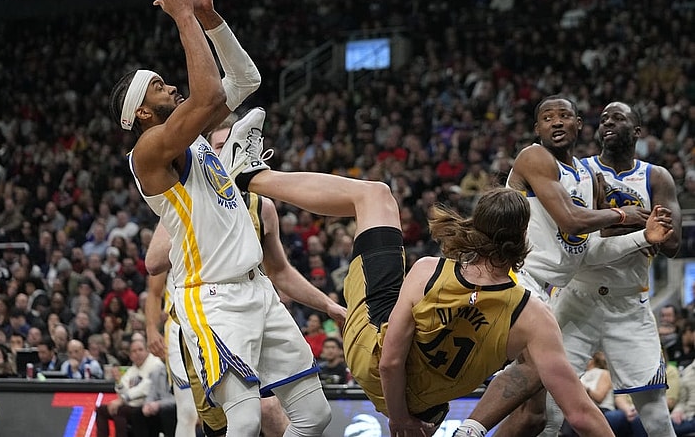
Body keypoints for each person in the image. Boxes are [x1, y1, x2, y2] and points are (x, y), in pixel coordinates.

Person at [220, 106, 673, 437]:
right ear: (525, 242)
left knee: (375, 196)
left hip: (377, 362)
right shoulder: (533, 314)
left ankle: (247, 177)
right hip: (432, 407)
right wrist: (632, 228)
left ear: (477, 229)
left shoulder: (428, 270)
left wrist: (396, 419)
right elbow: (582, 414)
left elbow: (393, 359)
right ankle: (472, 430)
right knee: (538, 382)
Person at [110, 0, 330, 434]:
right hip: (210, 297)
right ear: (142, 112)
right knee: (245, 422)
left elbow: (246, 79)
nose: (170, 86)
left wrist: (209, 16)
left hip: (257, 289)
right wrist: (183, 15)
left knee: (315, 417)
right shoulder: (148, 151)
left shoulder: (190, 137)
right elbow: (209, 92)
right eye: (158, 85)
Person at [451, 95, 676, 437]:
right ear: (536, 128)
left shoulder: (590, 176)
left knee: (536, 415)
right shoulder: (535, 157)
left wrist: (647, 236)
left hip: (591, 295)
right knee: (542, 378)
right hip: (524, 279)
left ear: (577, 124)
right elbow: (571, 221)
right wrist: (622, 214)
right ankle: (468, 429)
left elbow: (590, 249)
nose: (556, 122)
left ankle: (469, 429)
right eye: (547, 118)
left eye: (564, 116)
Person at [143, 113, 347, 436]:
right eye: (220, 147)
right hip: (210, 312)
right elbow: (153, 261)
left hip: (257, 298)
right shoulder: (190, 194)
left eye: (233, 146)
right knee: (228, 424)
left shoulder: (262, 206)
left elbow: (281, 272)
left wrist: (329, 306)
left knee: (309, 414)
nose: (229, 154)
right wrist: (189, 214)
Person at [543, 101, 682, 436]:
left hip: (629, 303)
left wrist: (619, 224)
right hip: (577, 297)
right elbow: (581, 234)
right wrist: (640, 228)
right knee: (548, 407)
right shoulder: (582, 171)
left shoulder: (656, 176)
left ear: (636, 131)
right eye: (603, 118)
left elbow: (673, 244)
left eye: (618, 118)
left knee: (656, 415)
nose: (607, 123)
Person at [95, 334, 173, 437]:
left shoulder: (155, 364)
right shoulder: (132, 370)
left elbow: (146, 387)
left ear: (147, 351)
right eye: (134, 351)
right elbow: (123, 391)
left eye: (140, 350)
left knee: (120, 411)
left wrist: (123, 399)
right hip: (132, 404)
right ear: (130, 355)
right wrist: (119, 382)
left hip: (151, 404)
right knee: (101, 410)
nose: (137, 353)